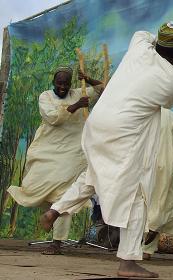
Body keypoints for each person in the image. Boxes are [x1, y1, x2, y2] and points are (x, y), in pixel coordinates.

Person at [40, 22, 173, 278]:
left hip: (99, 124)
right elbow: (166, 101)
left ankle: (56, 209)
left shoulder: (140, 47)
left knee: (94, 174)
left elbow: (141, 33)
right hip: (124, 133)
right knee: (137, 193)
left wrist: (163, 43)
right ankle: (128, 262)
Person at [7, 67, 102, 255]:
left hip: (71, 155)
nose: (62, 87)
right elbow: (53, 117)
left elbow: (103, 89)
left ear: (71, 83)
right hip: (47, 152)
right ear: (53, 82)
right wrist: (76, 106)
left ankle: (57, 242)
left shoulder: (78, 92)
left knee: (62, 195)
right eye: (59, 83)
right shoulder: (45, 96)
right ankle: (50, 218)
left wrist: (88, 78)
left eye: (66, 83)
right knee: (39, 189)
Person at [143, 107, 173, 260]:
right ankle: (147, 249)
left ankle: (137, 247)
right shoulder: (171, 115)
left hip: (142, 163)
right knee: (160, 202)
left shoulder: (141, 110)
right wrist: (172, 160)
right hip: (163, 164)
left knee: (142, 203)